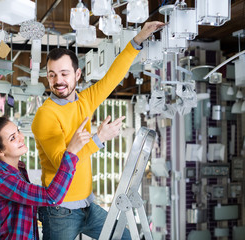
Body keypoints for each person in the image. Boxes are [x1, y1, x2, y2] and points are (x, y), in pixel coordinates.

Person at [31, 21, 165, 240]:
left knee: (126, 238)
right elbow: (60, 163)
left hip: (87, 206)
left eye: (64, 74)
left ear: (78, 74)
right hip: (59, 212)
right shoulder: (46, 114)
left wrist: (139, 38)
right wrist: (98, 139)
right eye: (52, 75)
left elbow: (113, 76)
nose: (58, 81)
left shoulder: (84, 101)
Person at [0, 116, 91, 239]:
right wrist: (71, 152)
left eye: (18, 131)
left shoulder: (19, 170)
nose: (21, 138)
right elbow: (51, 197)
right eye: (12, 138)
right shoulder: (1, 180)